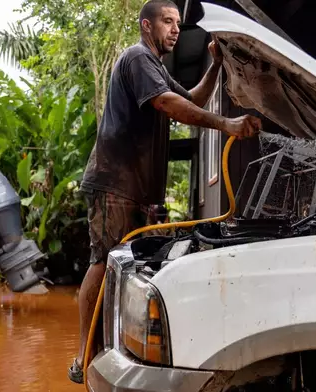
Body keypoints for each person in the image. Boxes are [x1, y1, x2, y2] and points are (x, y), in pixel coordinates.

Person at [68, 0, 262, 384]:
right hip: (114, 183)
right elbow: (168, 104)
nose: (175, 29)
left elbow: (192, 100)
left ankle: (111, 345)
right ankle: (83, 354)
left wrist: (218, 64)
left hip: (136, 189)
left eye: (177, 22)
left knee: (125, 268)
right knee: (102, 261)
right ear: (146, 25)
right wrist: (227, 124)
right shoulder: (138, 58)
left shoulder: (153, 65)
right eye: (167, 22)